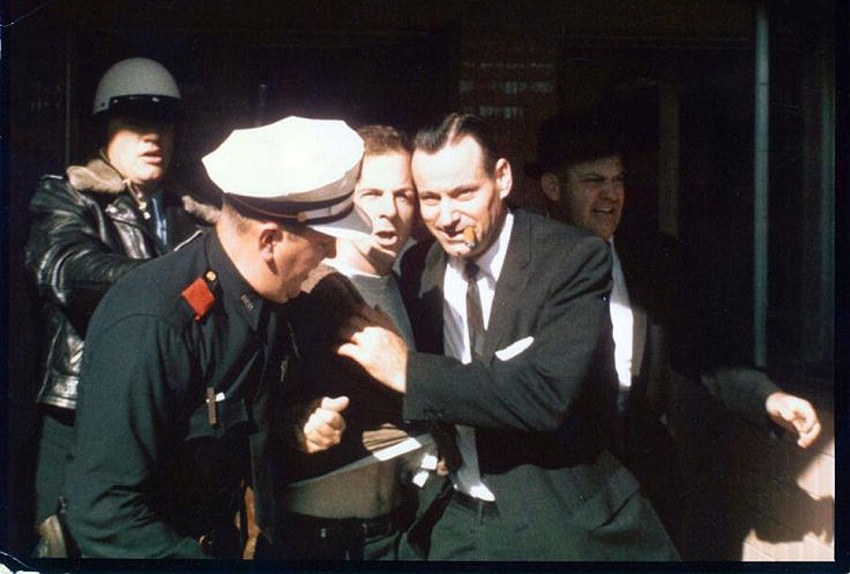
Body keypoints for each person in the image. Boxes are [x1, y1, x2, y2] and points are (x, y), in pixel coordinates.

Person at [336, 112, 679, 560]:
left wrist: (410, 372)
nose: (447, 217)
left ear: (502, 178)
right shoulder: (420, 266)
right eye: (430, 198)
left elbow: (546, 394)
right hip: (454, 522)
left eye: (463, 194)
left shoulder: (573, 259)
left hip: (564, 527)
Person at [58, 116, 371, 558]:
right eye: (322, 240)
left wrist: (293, 424)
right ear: (269, 241)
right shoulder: (155, 322)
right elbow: (103, 511)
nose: (332, 252)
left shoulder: (269, 299)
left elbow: (237, 427)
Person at [524, 110, 822, 550]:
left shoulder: (655, 257)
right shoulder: (522, 267)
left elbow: (705, 349)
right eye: (593, 181)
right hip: (558, 490)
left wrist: (767, 398)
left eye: (618, 180)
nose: (611, 195)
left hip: (647, 483)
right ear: (553, 187)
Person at [24, 57, 220, 553]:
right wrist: (176, 280)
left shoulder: (188, 213)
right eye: (135, 124)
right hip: (82, 415)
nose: (152, 137)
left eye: (163, 124)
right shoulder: (66, 196)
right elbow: (67, 269)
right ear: (105, 132)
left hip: (166, 421)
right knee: (72, 544)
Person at [269, 124, 427, 560]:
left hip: (400, 531)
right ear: (344, 201)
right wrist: (298, 424)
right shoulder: (303, 290)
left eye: (404, 195)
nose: (390, 211)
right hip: (321, 540)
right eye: (372, 194)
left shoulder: (416, 288)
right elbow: (255, 401)